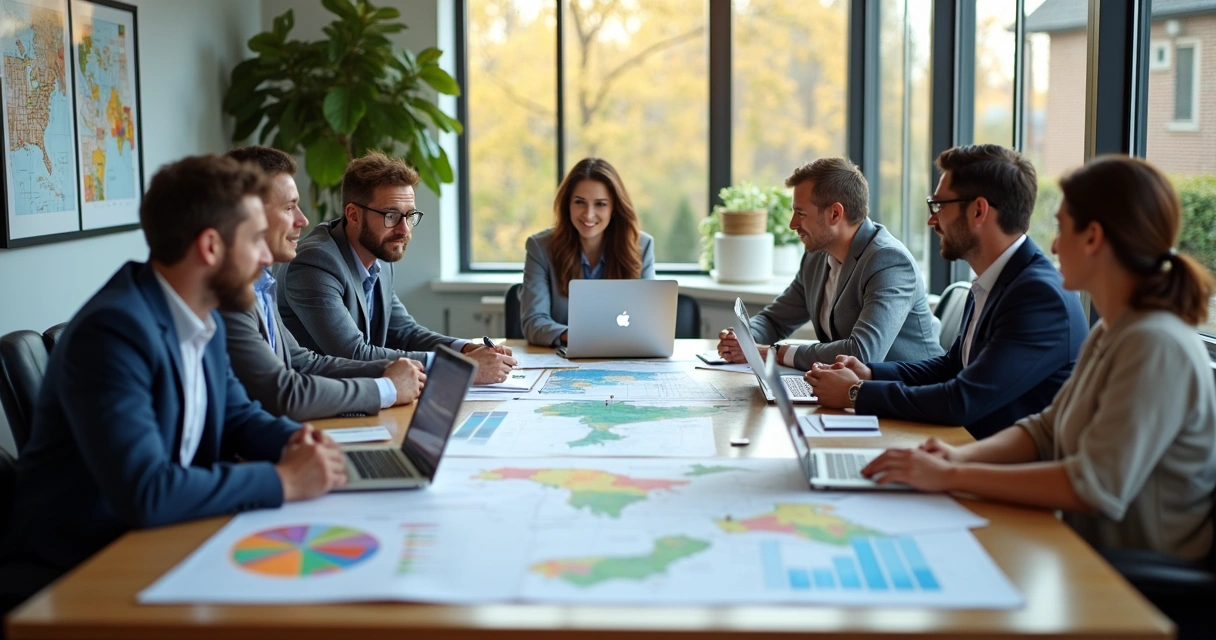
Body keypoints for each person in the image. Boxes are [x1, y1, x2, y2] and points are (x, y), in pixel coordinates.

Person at [0, 155, 347, 617]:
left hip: (167, 536)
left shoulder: (202, 313)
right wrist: (282, 479)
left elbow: (237, 414)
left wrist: (298, 441)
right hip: (88, 565)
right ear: (210, 247)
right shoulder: (113, 333)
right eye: (253, 241)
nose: (267, 257)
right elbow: (147, 491)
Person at [861, 155, 1216, 562]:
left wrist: (953, 475)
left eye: (1062, 227)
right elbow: (1045, 430)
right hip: (1081, 548)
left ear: (1093, 237)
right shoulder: (1114, 330)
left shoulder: (1156, 344)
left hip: (1133, 577)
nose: (1052, 245)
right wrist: (956, 456)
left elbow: (1092, 484)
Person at [808, 144, 1089, 439]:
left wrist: (856, 393)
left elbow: (961, 400)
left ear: (978, 210)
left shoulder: (1038, 297)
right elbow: (953, 366)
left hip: (1002, 468)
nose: (932, 220)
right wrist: (871, 374)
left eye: (939, 206)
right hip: (963, 448)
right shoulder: (995, 280)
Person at [221, 146, 426, 421]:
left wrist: (400, 373)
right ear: (248, 215)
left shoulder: (261, 284)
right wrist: (387, 388)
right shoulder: (227, 297)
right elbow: (285, 392)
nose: (303, 220)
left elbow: (303, 363)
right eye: (289, 207)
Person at [278, 151, 515, 384]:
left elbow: (405, 333)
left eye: (409, 215)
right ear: (353, 214)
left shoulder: (377, 255)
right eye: (391, 216)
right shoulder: (314, 262)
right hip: (320, 403)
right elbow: (353, 354)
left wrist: (464, 348)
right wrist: (461, 366)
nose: (404, 230)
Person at [716, 158, 942, 369]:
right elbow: (775, 320)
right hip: (852, 393)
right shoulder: (816, 257)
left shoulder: (889, 262)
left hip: (909, 399)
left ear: (835, 214)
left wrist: (772, 353)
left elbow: (861, 353)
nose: (792, 224)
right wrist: (744, 338)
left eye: (801, 213)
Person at [521, 157, 655, 346]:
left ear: (614, 207)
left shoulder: (642, 246)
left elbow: (650, 322)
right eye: (579, 202)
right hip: (564, 358)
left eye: (600, 204)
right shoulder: (540, 247)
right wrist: (579, 336)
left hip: (623, 356)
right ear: (568, 204)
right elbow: (534, 323)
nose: (588, 214)